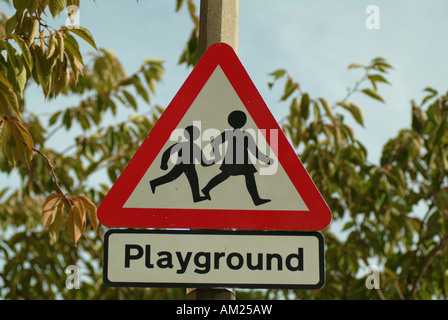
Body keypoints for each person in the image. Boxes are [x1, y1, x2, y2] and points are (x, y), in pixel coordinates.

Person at [201, 110, 274, 206]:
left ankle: (206, 189)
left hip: (238, 161)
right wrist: (267, 160)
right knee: (241, 175)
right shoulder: (245, 135)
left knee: (236, 175)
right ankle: (256, 199)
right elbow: (255, 152)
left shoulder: (231, 134)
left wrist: (216, 155)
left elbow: (214, 142)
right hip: (239, 161)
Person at [150, 125, 212, 202]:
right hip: (182, 165)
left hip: (189, 166)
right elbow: (167, 152)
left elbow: (203, 162)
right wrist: (163, 164)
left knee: (193, 180)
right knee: (171, 177)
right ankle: (153, 183)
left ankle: (196, 196)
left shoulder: (192, 146)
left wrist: (212, 162)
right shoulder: (187, 145)